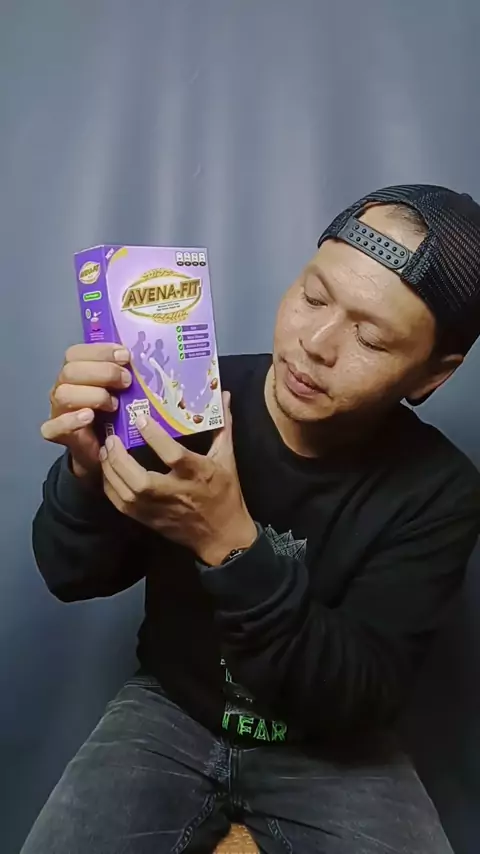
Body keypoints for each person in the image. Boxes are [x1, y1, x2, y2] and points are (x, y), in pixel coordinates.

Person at [24, 185, 480, 853]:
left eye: (370, 337)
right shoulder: (182, 395)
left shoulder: (441, 489)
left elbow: (360, 692)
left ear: (433, 375)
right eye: (314, 297)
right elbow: (70, 575)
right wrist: (85, 477)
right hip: (170, 708)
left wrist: (228, 541)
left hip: (331, 744)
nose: (315, 343)